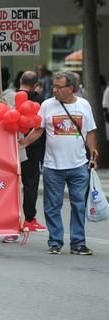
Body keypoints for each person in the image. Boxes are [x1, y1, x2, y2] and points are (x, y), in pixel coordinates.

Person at [19, 71, 97, 255]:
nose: (55, 90)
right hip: (53, 166)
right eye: (53, 86)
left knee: (79, 205)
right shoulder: (47, 105)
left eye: (59, 87)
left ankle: (78, 242)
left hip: (78, 164)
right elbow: (38, 130)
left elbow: (90, 130)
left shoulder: (84, 105)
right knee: (52, 206)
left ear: (71, 88)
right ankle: (55, 241)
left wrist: (93, 151)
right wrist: (24, 143)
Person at [17, 71, 47, 233]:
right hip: (32, 147)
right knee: (30, 183)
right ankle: (29, 218)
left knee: (10, 184)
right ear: (36, 85)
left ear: (20, 81)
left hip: (10, 146)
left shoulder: (10, 98)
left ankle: (11, 217)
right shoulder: (39, 101)